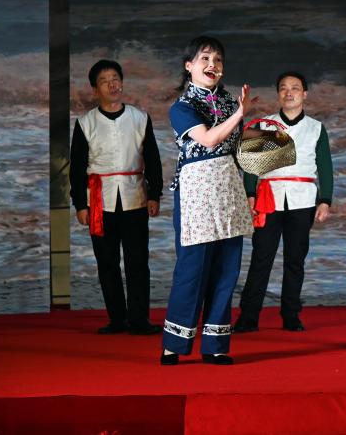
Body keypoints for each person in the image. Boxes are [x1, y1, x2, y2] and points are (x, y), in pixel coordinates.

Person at [160, 36, 257, 365]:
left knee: (227, 268)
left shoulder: (230, 103)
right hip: (196, 191)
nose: (212, 64)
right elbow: (209, 140)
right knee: (192, 269)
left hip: (229, 187)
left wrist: (271, 139)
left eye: (217, 59)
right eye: (204, 58)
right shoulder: (182, 107)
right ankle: (174, 344)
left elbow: (240, 149)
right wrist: (241, 113)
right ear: (189, 66)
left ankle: (215, 345)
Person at [234, 71, 334, 333]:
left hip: (303, 200)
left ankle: (291, 315)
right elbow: (251, 166)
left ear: (304, 94)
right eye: (283, 88)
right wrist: (250, 193)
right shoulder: (264, 125)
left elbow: (325, 166)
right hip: (269, 198)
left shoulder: (315, 128)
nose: (289, 93)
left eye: (295, 88)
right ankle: (248, 317)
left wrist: (325, 199)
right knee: (261, 258)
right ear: (278, 94)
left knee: (295, 259)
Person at [70, 59, 163, 335]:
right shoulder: (85, 123)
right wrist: (80, 204)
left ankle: (139, 319)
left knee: (138, 261)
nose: (112, 84)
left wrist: (154, 194)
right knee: (107, 262)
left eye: (115, 78)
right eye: (104, 81)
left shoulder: (139, 118)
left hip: (135, 195)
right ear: (94, 90)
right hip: (99, 199)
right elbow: (77, 168)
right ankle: (117, 319)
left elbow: (153, 159)